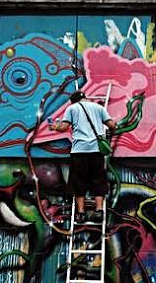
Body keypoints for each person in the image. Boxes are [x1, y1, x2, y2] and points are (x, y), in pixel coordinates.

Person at [49, 90, 116, 223]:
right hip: (96, 151)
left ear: (73, 101)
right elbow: (112, 125)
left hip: (79, 151)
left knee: (78, 182)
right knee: (98, 180)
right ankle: (99, 211)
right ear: (85, 98)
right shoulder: (99, 108)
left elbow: (64, 127)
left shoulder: (72, 108)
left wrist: (55, 126)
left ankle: (80, 213)